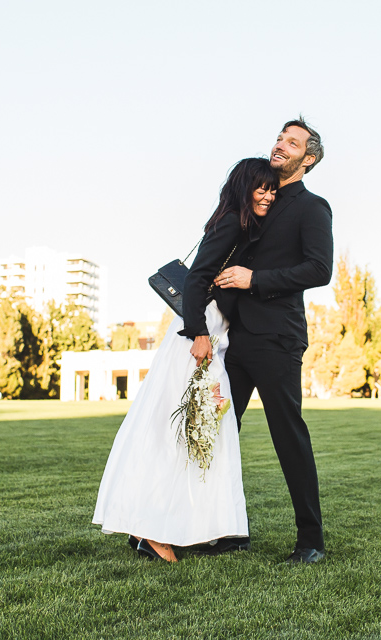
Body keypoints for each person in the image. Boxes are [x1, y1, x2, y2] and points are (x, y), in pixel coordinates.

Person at [92, 158, 280, 562]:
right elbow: (196, 279)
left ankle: (172, 526)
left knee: (202, 428)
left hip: (211, 332)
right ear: (245, 188)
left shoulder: (239, 225)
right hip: (199, 334)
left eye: (273, 189)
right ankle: (153, 531)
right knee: (184, 429)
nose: (268, 195)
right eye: (261, 188)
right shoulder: (231, 222)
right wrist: (197, 333)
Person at [193, 117, 333, 564]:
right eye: (279, 137)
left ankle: (311, 541)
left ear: (307, 159)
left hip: (277, 338)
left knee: (287, 435)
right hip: (235, 340)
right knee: (217, 434)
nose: (281, 145)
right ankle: (230, 532)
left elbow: (319, 270)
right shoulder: (257, 198)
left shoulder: (313, 208)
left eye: (292, 143)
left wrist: (255, 279)